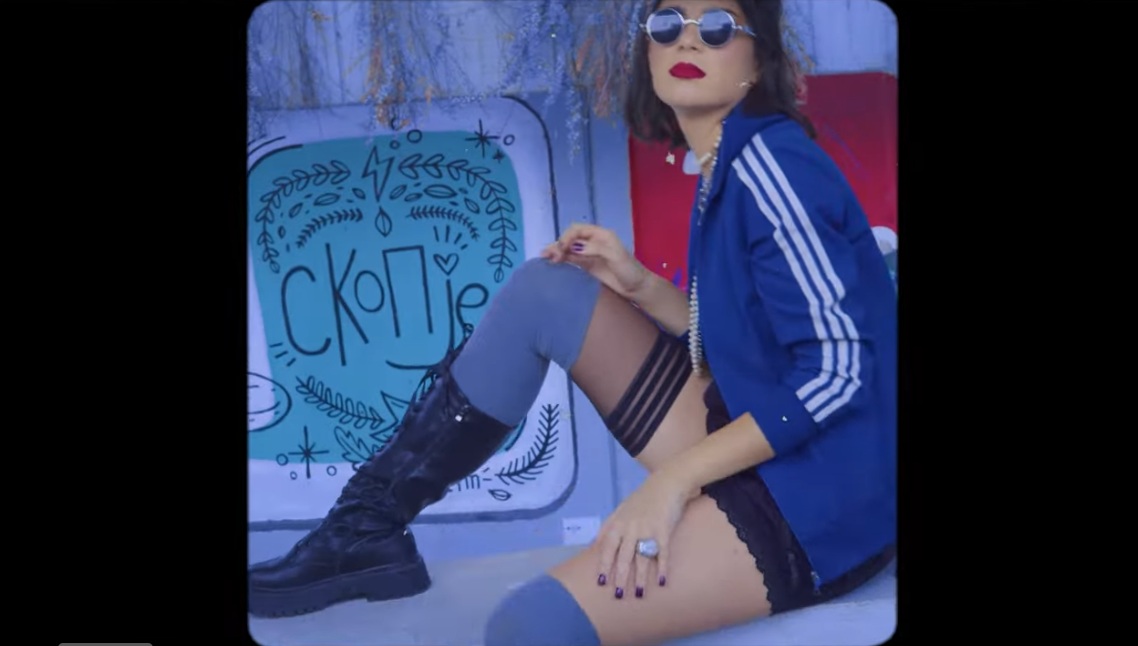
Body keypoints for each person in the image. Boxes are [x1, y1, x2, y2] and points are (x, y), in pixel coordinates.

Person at [247, 0, 897, 643]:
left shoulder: (774, 168)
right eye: (667, 24)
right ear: (647, 52)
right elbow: (745, 345)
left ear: (759, 61)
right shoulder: (726, 163)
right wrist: (638, 285)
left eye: (718, 27)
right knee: (548, 291)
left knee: (529, 627)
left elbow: (838, 375)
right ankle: (365, 529)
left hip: (828, 495)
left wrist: (675, 481)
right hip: (760, 431)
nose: (688, 40)